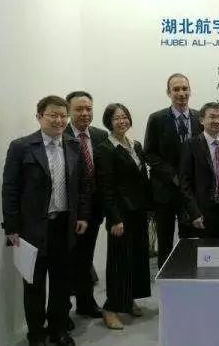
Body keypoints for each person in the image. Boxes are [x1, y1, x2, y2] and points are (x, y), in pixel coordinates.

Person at [2, 95, 89, 346]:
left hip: (64, 225)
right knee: (34, 284)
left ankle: (58, 329)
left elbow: (83, 185)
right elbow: (10, 189)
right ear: (39, 116)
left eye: (63, 115)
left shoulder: (73, 145)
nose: (59, 120)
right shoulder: (21, 147)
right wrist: (11, 227)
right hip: (32, 229)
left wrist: (82, 215)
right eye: (53, 115)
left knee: (62, 282)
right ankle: (36, 334)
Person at [95, 103, 151, 330]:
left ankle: (128, 300)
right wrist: (114, 218)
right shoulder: (105, 148)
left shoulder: (134, 145)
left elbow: (141, 178)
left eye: (125, 117)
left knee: (136, 258)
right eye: (116, 118)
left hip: (138, 211)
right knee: (119, 262)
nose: (122, 121)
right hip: (120, 214)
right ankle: (110, 308)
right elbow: (105, 188)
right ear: (108, 122)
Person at [144, 73, 202, 268]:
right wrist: (173, 175)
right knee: (165, 241)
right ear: (168, 93)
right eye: (176, 89)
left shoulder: (199, 117)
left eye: (185, 88)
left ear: (190, 91)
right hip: (165, 190)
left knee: (190, 239)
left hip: (191, 191)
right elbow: (149, 153)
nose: (181, 93)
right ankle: (165, 278)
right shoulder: (157, 118)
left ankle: (189, 276)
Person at [65, 91, 108, 320]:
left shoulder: (100, 135)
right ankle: (62, 311)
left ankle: (85, 303)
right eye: (79, 109)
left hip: (93, 210)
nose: (84, 113)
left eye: (88, 109)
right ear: (68, 111)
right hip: (68, 211)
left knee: (85, 258)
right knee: (66, 261)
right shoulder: (60, 135)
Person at [180, 102, 219, 238]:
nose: (217, 121)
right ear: (202, 120)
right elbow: (185, 183)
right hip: (203, 213)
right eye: (212, 117)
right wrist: (194, 212)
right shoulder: (191, 145)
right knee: (206, 250)